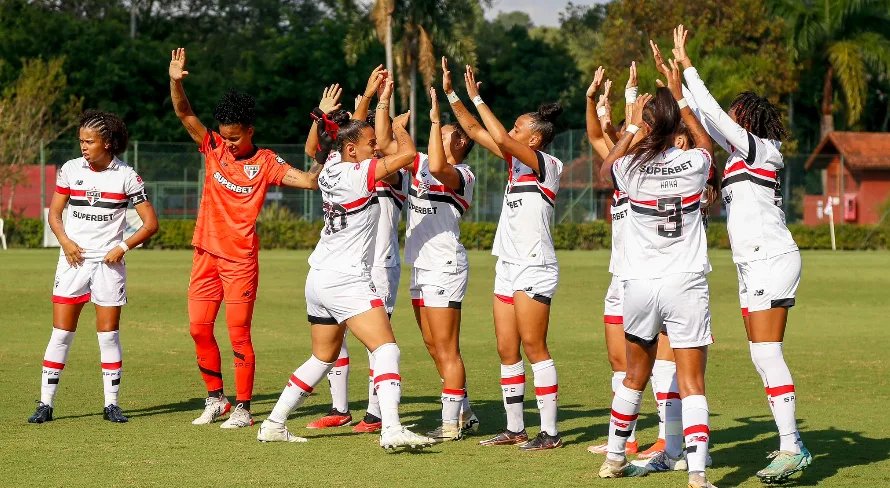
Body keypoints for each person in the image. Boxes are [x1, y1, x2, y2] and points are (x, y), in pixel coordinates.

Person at [676, 24, 812, 483]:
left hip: (772, 258)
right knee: (761, 354)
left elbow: (713, 115)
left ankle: (792, 447)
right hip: (752, 262)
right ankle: (790, 444)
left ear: (748, 120)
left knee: (768, 352)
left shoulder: (762, 150)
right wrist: (676, 86)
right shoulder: (737, 158)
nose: (731, 119)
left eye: (738, 114)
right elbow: (704, 119)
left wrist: (690, 68)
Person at [256, 110, 436, 450]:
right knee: (386, 348)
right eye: (370, 144)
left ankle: (274, 423)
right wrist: (397, 128)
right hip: (346, 278)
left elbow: (323, 147)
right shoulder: (358, 173)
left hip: (319, 275)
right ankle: (392, 428)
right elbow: (409, 155)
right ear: (351, 149)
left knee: (322, 357)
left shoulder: (330, 169)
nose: (376, 149)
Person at [168, 47, 323, 429]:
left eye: (235, 138)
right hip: (205, 253)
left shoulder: (266, 162)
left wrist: (326, 144)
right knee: (198, 329)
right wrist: (174, 81)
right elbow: (185, 113)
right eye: (225, 137)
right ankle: (215, 399)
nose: (229, 144)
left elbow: (308, 180)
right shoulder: (214, 148)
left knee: (239, 334)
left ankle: (243, 408)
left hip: (239, 260)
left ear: (250, 131)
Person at [595, 51, 717, 488]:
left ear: (649, 126)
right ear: (674, 126)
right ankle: (698, 475)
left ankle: (613, 458)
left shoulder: (630, 168)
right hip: (685, 281)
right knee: (691, 379)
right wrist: (682, 100)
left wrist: (629, 127)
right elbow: (705, 144)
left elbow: (606, 165)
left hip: (640, 284)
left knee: (633, 374)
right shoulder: (695, 164)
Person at [445, 59, 564, 451]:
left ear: (533, 141)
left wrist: (478, 96)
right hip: (508, 266)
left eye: (518, 130)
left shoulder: (549, 165)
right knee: (506, 348)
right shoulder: (517, 163)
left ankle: (550, 433)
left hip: (535, 265)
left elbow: (496, 132)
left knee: (535, 348)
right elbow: (477, 130)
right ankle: (516, 428)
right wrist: (452, 95)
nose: (510, 134)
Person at [28, 110, 159, 424]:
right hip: (73, 262)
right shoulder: (71, 170)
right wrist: (65, 241)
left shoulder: (127, 175)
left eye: (90, 141)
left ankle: (111, 404)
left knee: (108, 336)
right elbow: (55, 215)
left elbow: (151, 224)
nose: (83, 147)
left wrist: (122, 247)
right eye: (81, 141)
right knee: (61, 334)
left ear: (108, 142)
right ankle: (45, 404)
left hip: (108, 267)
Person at [584, 65, 682, 460]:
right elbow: (598, 137)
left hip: (659, 276)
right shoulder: (625, 169)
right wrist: (598, 102)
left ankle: (667, 440)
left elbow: (621, 140)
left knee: (663, 365)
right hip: (620, 279)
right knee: (619, 361)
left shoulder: (663, 170)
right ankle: (626, 437)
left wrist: (634, 107)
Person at [300, 69, 401, 433]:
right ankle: (340, 407)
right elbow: (325, 150)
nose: (374, 143)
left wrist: (376, 102)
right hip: (345, 267)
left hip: (378, 264)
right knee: (334, 337)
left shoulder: (386, 171)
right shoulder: (350, 166)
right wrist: (368, 98)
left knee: (379, 342)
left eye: (377, 137)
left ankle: (376, 414)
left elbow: (376, 153)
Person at [397, 66, 480, 441]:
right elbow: (389, 145)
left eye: (443, 135)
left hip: (445, 266)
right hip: (420, 265)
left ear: (459, 143)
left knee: (447, 348)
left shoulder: (461, 174)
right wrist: (386, 108)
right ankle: (465, 412)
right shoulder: (421, 165)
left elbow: (434, 164)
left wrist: (434, 117)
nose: (436, 138)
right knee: (433, 346)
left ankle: (449, 426)